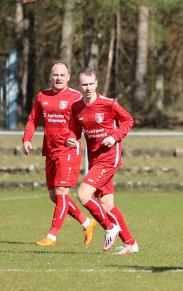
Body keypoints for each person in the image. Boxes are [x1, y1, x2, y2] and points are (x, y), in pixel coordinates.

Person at [22, 61, 96, 246]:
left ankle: (52, 236)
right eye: (55, 75)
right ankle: (87, 223)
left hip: (69, 150)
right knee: (54, 196)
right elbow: (32, 119)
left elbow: (85, 119)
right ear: (50, 76)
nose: (59, 78)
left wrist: (75, 136)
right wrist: (27, 139)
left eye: (62, 75)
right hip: (50, 150)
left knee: (62, 192)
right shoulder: (42, 96)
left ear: (68, 77)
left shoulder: (75, 97)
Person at [67, 68, 138, 255]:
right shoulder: (76, 107)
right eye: (84, 84)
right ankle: (130, 244)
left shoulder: (108, 103)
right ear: (78, 86)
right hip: (94, 158)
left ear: (96, 84)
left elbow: (128, 120)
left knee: (83, 194)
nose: (88, 88)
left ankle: (109, 227)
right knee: (107, 205)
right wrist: (71, 139)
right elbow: (74, 132)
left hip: (109, 157)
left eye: (91, 84)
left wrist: (114, 137)